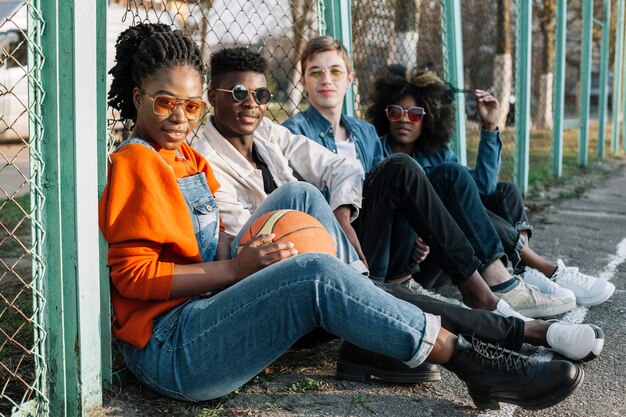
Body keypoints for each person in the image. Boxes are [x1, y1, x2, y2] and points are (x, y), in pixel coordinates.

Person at [99, 22, 587, 410]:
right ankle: (472, 362)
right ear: (139, 98)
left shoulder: (187, 157)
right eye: (165, 103)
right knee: (315, 273)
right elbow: (132, 277)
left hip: (207, 307)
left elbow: (207, 245)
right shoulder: (136, 161)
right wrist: (237, 267)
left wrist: (245, 254)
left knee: (301, 195)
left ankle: (378, 319)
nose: (180, 117)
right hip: (172, 347)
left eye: (189, 105)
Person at [191, 44, 603, 380]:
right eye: (238, 94)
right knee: (377, 285)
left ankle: (487, 294)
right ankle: (522, 328)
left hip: (334, 247)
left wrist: (343, 214)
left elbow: (342, 167)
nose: (251, 104)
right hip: (292, 280)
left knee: (409, 172)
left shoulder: (271, 132)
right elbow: (248, 235)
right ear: (212, 98)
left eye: (260, 95)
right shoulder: (204, 157)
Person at [281, 36, 574, 320]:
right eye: (315, 72)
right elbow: (304, 204)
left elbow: (387, 196)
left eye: (335, 71)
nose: (326, 79)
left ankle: (499, 281)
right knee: (404, 167)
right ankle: (504, 277)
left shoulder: (364, 132)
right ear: (304, 82)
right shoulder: (292, 132)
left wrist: (414, 226)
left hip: (389, 244)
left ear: (350, 79)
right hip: (343, 247)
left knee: (450, 175)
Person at [364, 64, 616, 308]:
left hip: (445, 249)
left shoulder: (437, 154)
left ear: (428, 118)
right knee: (450, 179)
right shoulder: (375, 151)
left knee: (506, 192)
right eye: (396, 112)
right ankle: (540, 267)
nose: (404, 120)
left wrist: (490, 126)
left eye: (415, 114)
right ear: (385, 114)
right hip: (413, 262)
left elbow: (483, 187)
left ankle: (522, 270)